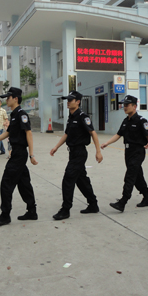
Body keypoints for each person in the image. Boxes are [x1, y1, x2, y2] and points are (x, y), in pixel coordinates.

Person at [0, 87, 38, 226]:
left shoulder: (21, 114)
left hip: (20, 154)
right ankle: (32, 211)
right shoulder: (13, 114)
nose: (6, 100)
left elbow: (29, 134)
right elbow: (8, 133)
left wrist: (31, 155)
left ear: (15, 99)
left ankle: (5, 215)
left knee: (6, 183)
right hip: (17, 152)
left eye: (8, 97)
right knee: (24, 183)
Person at [101, 95, 148, 212]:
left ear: (134, 106)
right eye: (124, 105)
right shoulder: (125, 121)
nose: (124, 107)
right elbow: (118, 134)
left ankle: (123, 201)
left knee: (130, 176)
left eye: (127, 105)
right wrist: (107, 143)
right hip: (128, 152)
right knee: (137, 176)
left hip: (138, 152)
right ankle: (147, 198)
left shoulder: (141, 121)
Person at [50, 91, 103, 220]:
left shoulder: (82, 116)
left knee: (68, 179)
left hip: (80, 152)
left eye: (71, 100)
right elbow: (67, 134)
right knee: (81, 180)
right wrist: (56, 147)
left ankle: (65, 209)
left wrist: (98, 151)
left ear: (78, 102)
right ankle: (93, 204)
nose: (68, 102)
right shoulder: (71, 117)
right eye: (67, 100)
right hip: (73, 152)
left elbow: (93, 133)